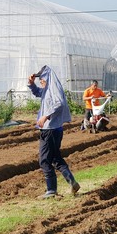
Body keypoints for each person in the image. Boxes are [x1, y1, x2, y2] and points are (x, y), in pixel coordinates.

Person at [28, 65, 81, 199]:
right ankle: (72, 182)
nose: (41, 81)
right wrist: (31, 84)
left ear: (48, 78)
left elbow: (59, 104)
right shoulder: (48, 89)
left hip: (50, 129)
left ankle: (51, 190)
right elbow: (37, 93)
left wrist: (46, 116)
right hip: (55, 129)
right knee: (56, 158)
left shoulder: (53, 88)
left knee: (44, 160)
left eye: (42, 78)